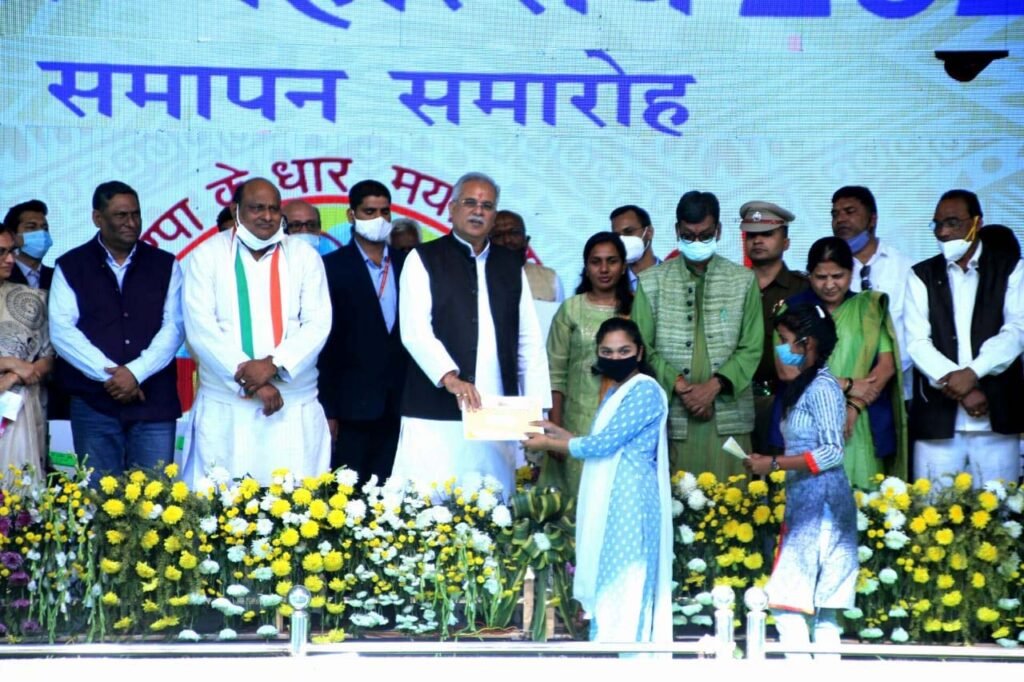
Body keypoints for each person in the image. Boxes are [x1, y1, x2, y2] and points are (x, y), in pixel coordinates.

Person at [391, 172, 550, 498]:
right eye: (470, 203)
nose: (478, 211)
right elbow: (415, 330)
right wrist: (450, 377)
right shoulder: (423, 258)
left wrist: (538, 411)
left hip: (497, 413)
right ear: (451, 209)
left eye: (487, 206)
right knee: (429, 504)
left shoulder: (510, 265)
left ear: (494, 215)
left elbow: (528, 341)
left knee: (492, 507)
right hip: (436, 409)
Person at [523, 318, 672, 645]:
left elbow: (604, 445)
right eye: (607, 352)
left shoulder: (644, 390)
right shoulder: (619, 390)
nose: (615, 358)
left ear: (639, 352)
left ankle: (626, 652)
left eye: (623, 351)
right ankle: (608, 646)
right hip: (615, 496)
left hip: (630, 497)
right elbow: (604, 440)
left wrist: (549, 444)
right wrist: (558, 433)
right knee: (609, 575)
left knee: (625, 578)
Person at [180, 177, 332, 486]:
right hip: (227, 407)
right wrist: (253, 383)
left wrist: (274, 365)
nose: (267, 216)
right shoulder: (206, 255)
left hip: (293, 405)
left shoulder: (304, 256)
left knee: (296, 504)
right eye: (257, 208)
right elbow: (201, 331)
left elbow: (318, 324)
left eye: (274, 209)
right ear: (235, 210)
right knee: (221, 505)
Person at [744, 303, 857, 661]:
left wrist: (774, 463)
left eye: (784, 339)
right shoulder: (804, 386)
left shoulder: (823, 388)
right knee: (821, 611)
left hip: (823, 504)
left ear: (807, 344)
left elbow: (831, 452)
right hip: (807, 499)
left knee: (789, 605)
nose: (780, 348)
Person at [50, 181, 184, 478]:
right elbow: (62, 332)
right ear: (98, 218)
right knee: (98, 497)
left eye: (136, 214)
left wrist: (135, 373)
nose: (131, 223)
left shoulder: (165, 264)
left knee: (155, 496)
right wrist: (111, 375)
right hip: (94, 402)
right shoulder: (71, 264)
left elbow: (174, 326)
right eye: (121, 215)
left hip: (153, 401)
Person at [633, 190, 763, 479]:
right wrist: (680, 386)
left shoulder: (743, 280)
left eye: (705, 235)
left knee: (733, 500)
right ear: (676, 230)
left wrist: (713, 387)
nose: (696, 242)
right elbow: (641, 346)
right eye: (688, 235)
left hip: (729, 416)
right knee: (677, 498)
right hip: (673, 414)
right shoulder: (651, 282)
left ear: (718, 230)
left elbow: (752, 346)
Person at [905, 190, 1024, 488]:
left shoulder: (1011, 268)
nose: (943, 232)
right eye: (937, 224)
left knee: (1002, 510)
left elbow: (1016, 331)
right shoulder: (921, 274)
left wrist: (973, 373)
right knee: (930, 510)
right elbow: (917, 343)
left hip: (997, 414)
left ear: (977, 223)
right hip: (938, 419)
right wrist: (960, 385)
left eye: (952, 223)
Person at [776, 237, 907, 489]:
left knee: (864, 500)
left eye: (837, 276)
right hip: (806, 418)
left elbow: (886, 366)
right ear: (809, 274)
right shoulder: (792, 310)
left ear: (851, 272)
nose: (829, 285)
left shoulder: (869, 308)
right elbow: (787, 369)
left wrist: (854, 406)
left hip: (860, 419)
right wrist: (847, 385)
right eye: (820, 277)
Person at [318, 180, 408, 482]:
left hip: (401, 405)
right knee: (349, 496)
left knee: (396, 496)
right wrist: (328, 409)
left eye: (384, 212)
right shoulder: (331, 268)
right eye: (369, 212)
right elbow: (325, 346)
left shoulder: (409, 264)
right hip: (350, 407)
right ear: (351, 215)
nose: (378, 219)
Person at [541, 232, 632, 497]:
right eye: (596, 262)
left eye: (612, 261)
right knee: (575, 499)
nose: (604, 269)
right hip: (575, 420)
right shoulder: (571, 310)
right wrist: (556, 430)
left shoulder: (637, 308)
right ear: (586, 267)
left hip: (622, 421)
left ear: (623, 266)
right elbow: (554, 374)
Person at [831, 186, 913, 400]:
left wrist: (877, 379)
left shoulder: (905, 268)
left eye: (849, 212)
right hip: (842, 389)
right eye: (835, 214)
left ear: (872, 219)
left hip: (897, 388)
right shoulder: (828, 272)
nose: (840, 219)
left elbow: (913, 333)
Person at [741, 200, 808, 456]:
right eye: (751, 235)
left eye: (767, 234)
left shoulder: (802, 288)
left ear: (786, 242)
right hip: (736, 399)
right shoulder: (733, 285)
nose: (758, 241)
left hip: (786, 398)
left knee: (781, 474)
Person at [0, 226, 54, 478]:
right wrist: (10, 362)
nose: (10, 259)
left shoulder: (33, 300)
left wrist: (14, 376)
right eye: (1, 252)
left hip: (20, 412)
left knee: (19, 493)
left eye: (12, 251)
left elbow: (50, 357)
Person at [492, 209, 564, 339]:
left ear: (526, 240)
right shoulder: (476, 277)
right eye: (498, 235)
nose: (507, 240)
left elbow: (559, 328)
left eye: (514, 233)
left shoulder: (550, 278)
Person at [3, 200, 55, 290]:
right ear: (12, 235)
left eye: (45, 228)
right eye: (31, 227)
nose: (41, 233)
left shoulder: (58, 276)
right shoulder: (3, 275)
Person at [610, 204, 660, 292]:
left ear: (649, 232)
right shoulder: (612, 282)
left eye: (629, 231)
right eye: (617, 235)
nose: (622, 239)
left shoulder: (673, 276)